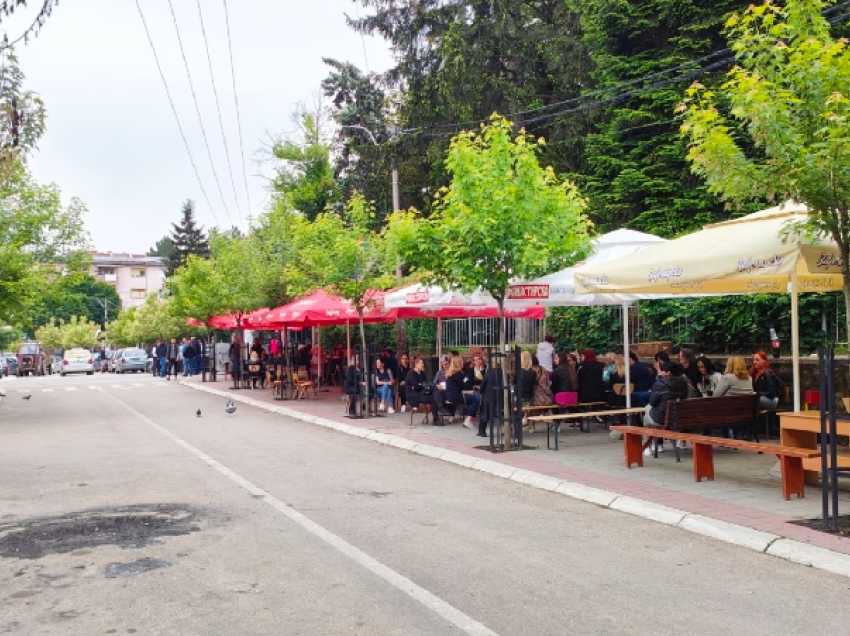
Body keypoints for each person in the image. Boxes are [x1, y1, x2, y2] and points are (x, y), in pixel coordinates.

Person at [643, 362, 690, 456]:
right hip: (679, 418)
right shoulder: (684, 382)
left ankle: (648, 446)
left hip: (662, 419)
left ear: (668, 372)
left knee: (647, 410)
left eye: (662, 371)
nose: (660, 372)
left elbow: (652, 402)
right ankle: (657, 444)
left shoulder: (660, 383)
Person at [445, 355, 479, 429]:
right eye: (461, 361)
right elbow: (463, 385)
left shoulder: (449, 373)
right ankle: (468, 420)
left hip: (449, 396)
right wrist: (473, 387)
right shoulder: (458, 373)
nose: (463, 363)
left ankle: (470, 420)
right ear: (458, 363)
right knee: (475, 399)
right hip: (456, 396)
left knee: (471, 399)